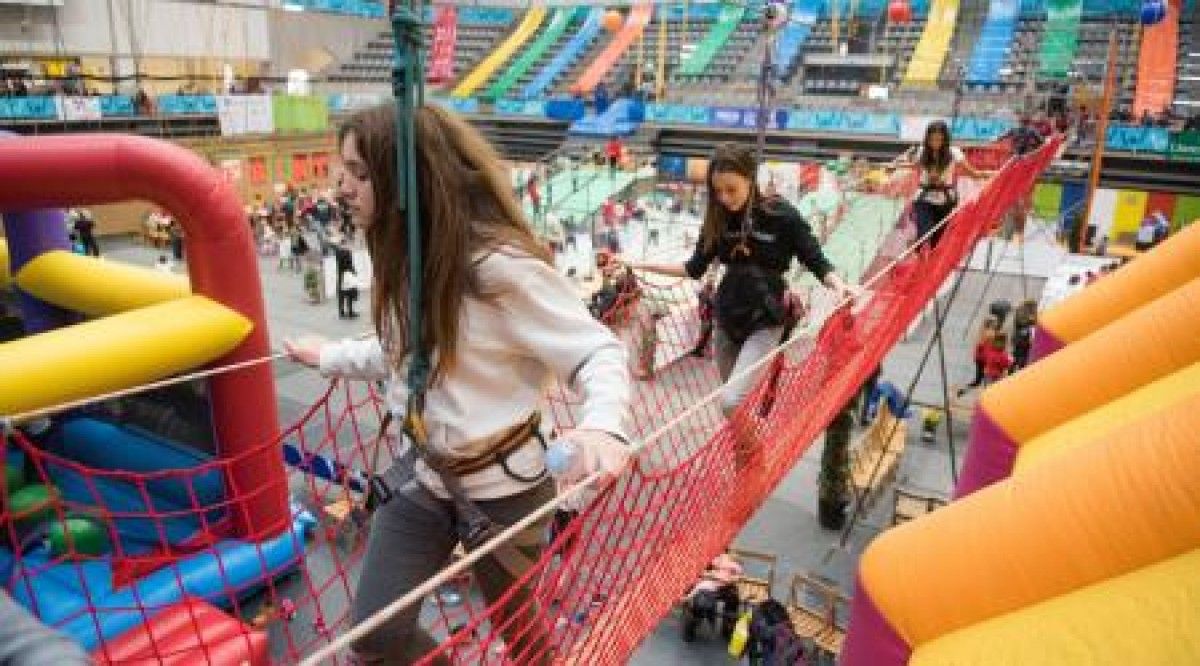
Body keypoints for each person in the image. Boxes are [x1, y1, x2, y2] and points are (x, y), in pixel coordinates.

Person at [283, 102, 632, 665]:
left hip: (507, 491)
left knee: (522, 638)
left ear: (407, 182)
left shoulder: (498, 268)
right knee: (373, 636)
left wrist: (604, 426)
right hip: (423, 478)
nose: (342, 187)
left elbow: (596, 350)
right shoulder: (408, 260)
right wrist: (333, 356)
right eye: (342, 169)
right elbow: (409, 352)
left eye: (361, 173)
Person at [623, 144, 857, 470]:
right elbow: (693, 269)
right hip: (727, 320)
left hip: (766, 320)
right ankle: (742, 463)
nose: (725, 198)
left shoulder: (781, 215)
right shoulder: (718, 220)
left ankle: (753, 456)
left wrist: (837, 284)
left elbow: (814, 258)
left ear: (751, 179)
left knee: (730, 402)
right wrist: (635, 263)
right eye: (718, 192)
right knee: (736, 409)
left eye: (732, 189)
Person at [890, 121, 993, 249]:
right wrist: (897, 165)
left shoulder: (954, 153)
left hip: (946, 201)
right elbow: (915, 165)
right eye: (932, 139)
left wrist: (988, 174)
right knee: (924, 233)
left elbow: (972, 172)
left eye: (939, 139)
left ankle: (928, 263)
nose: (935, 143)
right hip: (924, 198)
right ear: (927, 138)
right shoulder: (922, 151)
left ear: (945, 140)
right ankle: (919, 255)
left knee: (938, 241)